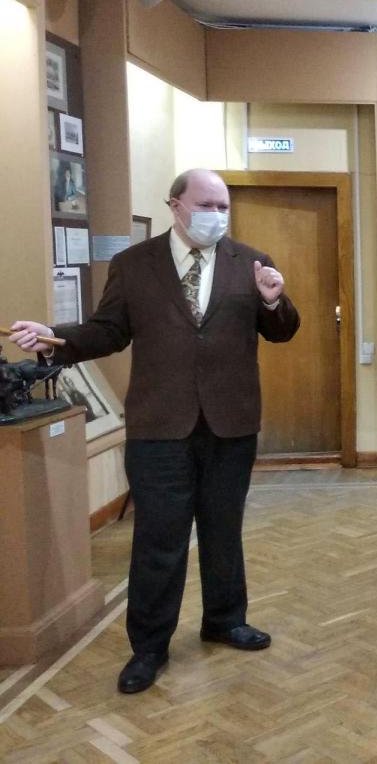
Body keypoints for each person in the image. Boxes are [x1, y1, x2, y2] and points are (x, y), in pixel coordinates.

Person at [6, 168, 300, 695]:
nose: (217, 215)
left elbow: (281, 332)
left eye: (223, 206)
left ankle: (225, 620)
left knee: (223, 529)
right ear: (176, 205)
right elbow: (108, 331)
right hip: (159, 427)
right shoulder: (134, 264)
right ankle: (148, 647)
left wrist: (274, 300)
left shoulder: (251, 262)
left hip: (230, 424)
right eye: (206, 205)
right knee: (159, 538)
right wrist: (55, 338)